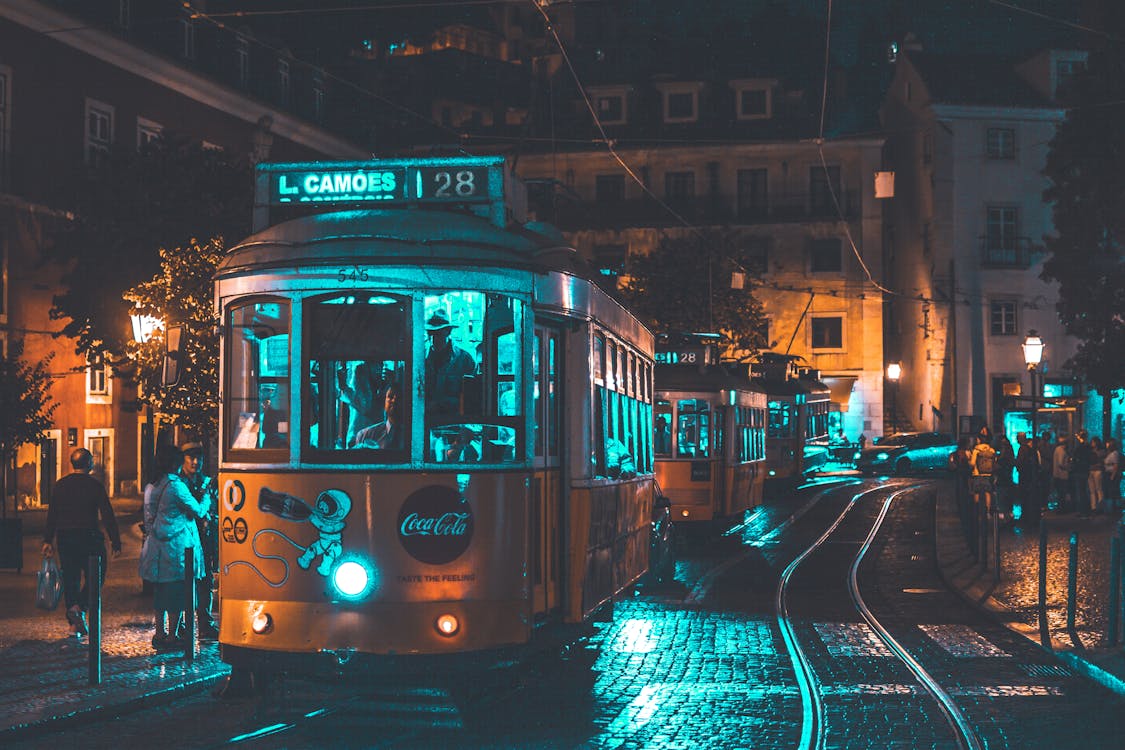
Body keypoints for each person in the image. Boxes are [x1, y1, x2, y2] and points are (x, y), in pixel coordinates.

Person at [41, 448, 122, 637]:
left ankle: (73, 620)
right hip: (89, 537)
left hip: (65, 538)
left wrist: (47, 539)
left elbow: (52, 514)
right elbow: (108, 515)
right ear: (90, 464)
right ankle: (81, 608)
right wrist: (115, 541)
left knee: (71, 578)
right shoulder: (95, 486)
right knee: (97, 576)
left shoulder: (60, 485)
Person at [138, 444, 209, 651]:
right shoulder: (176, 486)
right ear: (175, 464)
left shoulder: (152, 486)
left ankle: (159, 633)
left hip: (157, 547)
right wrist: (205, 495)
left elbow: (149, 519)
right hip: (178, 547)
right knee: (178, 591)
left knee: (160, 591)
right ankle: (172, 636)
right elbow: (199, 511)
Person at [179, 442, 219, 638]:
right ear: (183, 459)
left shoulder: (207, 482)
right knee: (185, 581)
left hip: (205, 538)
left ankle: (205, 622)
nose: (195, 462)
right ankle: (183, 624)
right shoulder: (179, 483)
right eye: (191, 458)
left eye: (199, 458)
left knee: (206, 580)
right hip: (186, 538)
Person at [424, 310, 477, 418]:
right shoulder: (420, 359)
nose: (433, 338)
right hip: (425, 422)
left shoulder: (465, 360)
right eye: (431, 333)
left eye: (438, 333)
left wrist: (441, 405)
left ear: (448, 332)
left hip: (454, 423)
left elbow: (472, 399)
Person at [352, 383, 404, 450]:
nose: (394, 401)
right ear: (384, 402)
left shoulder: (411, 436)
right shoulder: (366, 435)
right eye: (390, 397)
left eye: (399, 398)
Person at [1015, 432, 1042, 526]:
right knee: (1026, 497)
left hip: (1025, 477)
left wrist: (1017, 464)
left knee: (1024, 496)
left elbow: (1021, 462)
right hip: (1028, 476)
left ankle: (1025, 516)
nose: (1016, 439)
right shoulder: (1029, 449)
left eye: (1018, 437)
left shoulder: (1023, 449)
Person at [970, 433, 997, 514]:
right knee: (988, 492)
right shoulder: (991, 450)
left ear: (980, 440)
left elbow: (972, 463)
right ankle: (988, 512)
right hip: (988, 474)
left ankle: (977, 511)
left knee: (976, 492)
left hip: (977, 474)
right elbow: (994, 462)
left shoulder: (976, 450)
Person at [1070, 429, 1093, 517]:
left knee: (1081, 491)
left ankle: (1083, 511)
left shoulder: (1081, 447)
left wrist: (1074, 462)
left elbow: (1077, 457)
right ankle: (1085, 510)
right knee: (1084, 491)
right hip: (1085, 470)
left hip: (1080, 470)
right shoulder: (1088, 446)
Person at [1052, 433, 1071, 512]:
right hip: (1062, 475)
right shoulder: (1062, 451)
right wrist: (1068, 467)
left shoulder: (1057, 449)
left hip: (1057, 474)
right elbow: (1060, 463)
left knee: (1060, 492)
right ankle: (1062, 509)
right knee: (1062, 493)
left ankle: (1060, 508)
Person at [1089, 436, 1106, 513]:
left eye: (1094, 442)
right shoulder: (1089, 450)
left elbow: (1102, 462)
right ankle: (1093, 507)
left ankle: (1100, 507)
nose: (1092, 443)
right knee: (1092, 490)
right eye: (1092, 442)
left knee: (1098, 489)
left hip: (1097, 471)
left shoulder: (1101, 451)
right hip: (1091, 471)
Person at [1104, 438, 1122, 513]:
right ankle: (1115, 506)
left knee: (1114, 490)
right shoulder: (1110, 453)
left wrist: (1113, 475)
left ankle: (1116, 507)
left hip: (1113, 474)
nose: (1106, 445)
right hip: (1111, 473)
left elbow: (1116, 465)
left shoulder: (1114, 453)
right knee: (1113, 490)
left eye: (1107, 443)